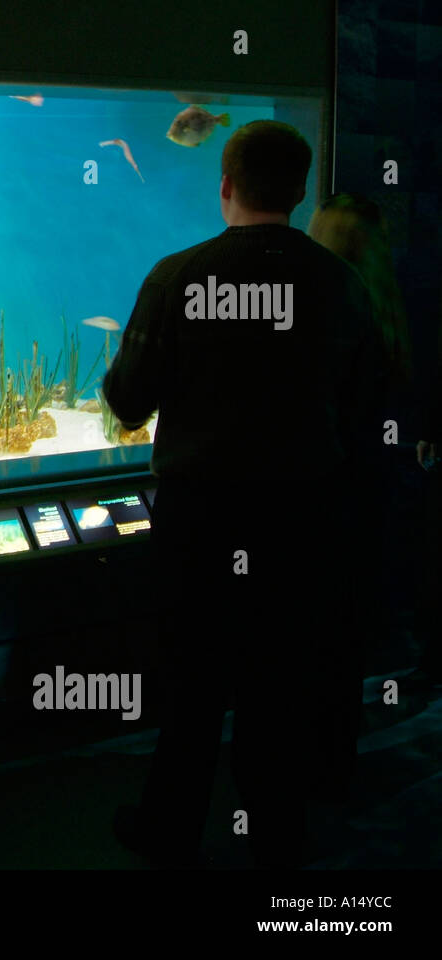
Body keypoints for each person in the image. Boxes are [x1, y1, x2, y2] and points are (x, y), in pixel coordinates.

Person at [104, 121, 380, 868]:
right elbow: (365, 406)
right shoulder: (342, 285)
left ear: (224, 183)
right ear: (298, 191)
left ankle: (168, 831)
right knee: (279, 690)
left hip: (201, 519)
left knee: (191, 687)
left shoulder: (176, 278)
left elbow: (129, 401)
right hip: (302, 521)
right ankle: (277, 842)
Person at [308, 193, 407, 784]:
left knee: (308, 634)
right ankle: (335, 762)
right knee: (344, 635)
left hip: (319, 494)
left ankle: (302, 763)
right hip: (366, 495)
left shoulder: (326, 306)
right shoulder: (387, 305)